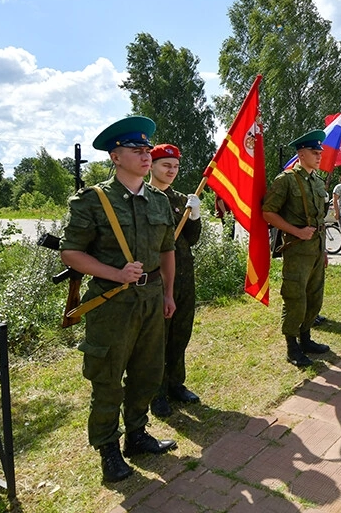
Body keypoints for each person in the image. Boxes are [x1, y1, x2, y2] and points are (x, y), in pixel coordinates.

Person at [59, 116, 178, 483]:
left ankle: (137, 435)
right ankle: (108, 448)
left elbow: (167, 250)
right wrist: (115, 274)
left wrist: (169, 293)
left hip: (152, 298)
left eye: (147, 150)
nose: (145, 156)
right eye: (136, 150)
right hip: (112, 303)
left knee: (147, 371)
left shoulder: (159, 201)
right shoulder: (93, 200)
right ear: (115, 156)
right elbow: (70, 253)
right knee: (108, 377)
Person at [262, 130, 332, 368]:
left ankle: (306, 339)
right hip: (297, 250)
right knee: (296, 298)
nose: (319, 155)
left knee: (314, 297)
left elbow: (320, 219)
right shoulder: (286, 180)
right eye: (315, 152)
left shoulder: (317, 181)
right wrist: (296, 231)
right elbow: (268, 213)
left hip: (315, 249)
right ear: (301, 154)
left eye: (320, 151)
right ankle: (292, 347)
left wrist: (322, 251)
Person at [147, 144, 203, 419]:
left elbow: (192, 239)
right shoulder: (143, 196)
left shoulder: (182, 198)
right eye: (165, 165)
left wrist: (195, 216)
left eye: (176, 166)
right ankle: (155, 393)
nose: (171, 171)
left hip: (184, 275)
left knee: (181, 332)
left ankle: (175, 384)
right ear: (152, 165)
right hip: (157, 279)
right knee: (158, 338)